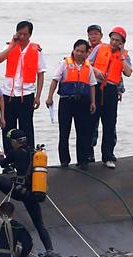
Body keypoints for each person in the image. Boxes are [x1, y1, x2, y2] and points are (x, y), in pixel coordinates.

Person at [0, 129, 61, 257]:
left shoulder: (14, 153)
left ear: (15, 142)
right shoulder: (34, 153)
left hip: (19, 191)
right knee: (39, 224)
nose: (11, 143)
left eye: (12, 141)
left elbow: (2, 164)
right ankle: (50, 250)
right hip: (33, 193)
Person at [0, 20, 46, 154]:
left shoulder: (37, 50)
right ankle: (9, 160)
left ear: (30, 35)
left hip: (27, 95)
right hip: (9, 94)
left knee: (26, 127)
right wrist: (12, 45)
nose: (22, 37)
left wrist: (38, 96)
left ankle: (28, 157)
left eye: (25, 34)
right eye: (20, 34)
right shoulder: (10, 46)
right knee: (8, 128)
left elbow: (41, 74)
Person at [45, 39, 97, 170]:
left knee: (83, 133)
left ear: (87, 53)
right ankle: (64, 161)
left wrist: (93, 102)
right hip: (66, 101)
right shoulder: (64, 64)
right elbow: (55, 81)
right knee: (64, 132)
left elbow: (92, 85)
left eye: (82, 51)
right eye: (77, 50)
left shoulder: (88, 66)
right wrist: (49, 97)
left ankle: (82, 160)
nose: (79, 53)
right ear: (73, 50)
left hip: (83, 103)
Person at [88, 26, 133, 169]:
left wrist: (121, 56)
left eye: (117, 41)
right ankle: (88, 156)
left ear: (122, 42)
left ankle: (107, 156)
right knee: (91, 122)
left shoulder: (124, 54)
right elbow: (87, 63)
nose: (114, 42)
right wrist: (96, 71)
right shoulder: (99, 48)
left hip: (111, 90)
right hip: (97, 87)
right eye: (112, 39)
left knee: (109, 124)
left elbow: (128, 72)